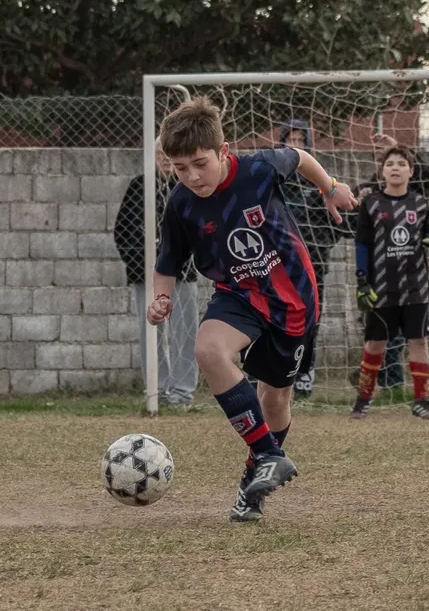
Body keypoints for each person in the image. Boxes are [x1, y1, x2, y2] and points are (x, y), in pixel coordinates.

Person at [149, 97, 356, 523]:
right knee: (208, 349)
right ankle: (267, 455)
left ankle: (252, 487)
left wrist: (330, 187)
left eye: (200, 164)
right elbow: (166, 263)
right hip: (237, 294)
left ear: (223, 151)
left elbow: (299, 156)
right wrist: (162, 298)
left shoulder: (258, 168)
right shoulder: (181, 203)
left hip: (293, 300)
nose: (192, 176)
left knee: (274, 400)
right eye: (180, 168)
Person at [350, 147, 429, 420]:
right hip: (381, 287)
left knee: (419, 341)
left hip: (416, 286)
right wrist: (361, 279)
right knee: (375, 343)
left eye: (401, 164)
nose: (395, 167)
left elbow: (428, 232)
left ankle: (421, 401)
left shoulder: (420, 203)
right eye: (390, 163)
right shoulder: (371, 203)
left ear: (410, 172)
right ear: (382, 170)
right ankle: (363, 399)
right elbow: (362, 244)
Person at [114, 143, 198, 407]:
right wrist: (141, 264)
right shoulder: (139, 186)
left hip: (183, 273)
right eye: (160, 154)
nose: (165, 159)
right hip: (146, 275)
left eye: (170, 155)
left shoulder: (188, 187)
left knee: (186, 332)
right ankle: (156, 389)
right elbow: (122, 231)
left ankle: (182, 392)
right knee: (151, 332)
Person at [277, 120, 354, 398]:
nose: (295, 144)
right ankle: (269, 373)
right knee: (274, 320)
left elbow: (340, 225)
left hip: (312, 265)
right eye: (291, 139)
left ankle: (304, 373)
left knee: (309, 321)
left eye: (301, 140)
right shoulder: (274, 181)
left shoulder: (320, 183)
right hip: (276, 265)